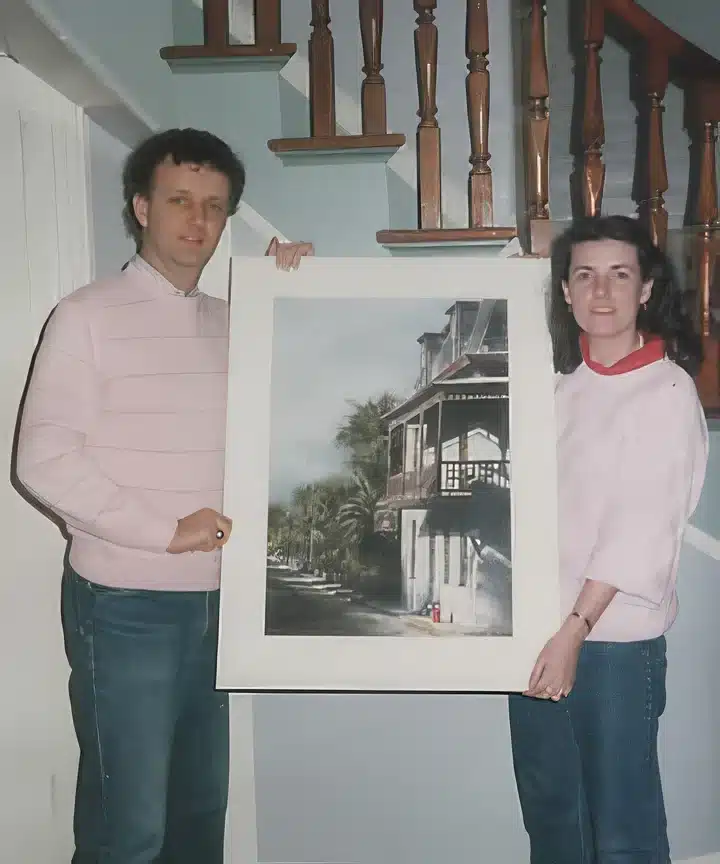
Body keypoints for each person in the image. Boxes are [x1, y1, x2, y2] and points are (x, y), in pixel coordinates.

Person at [15, 127, 313, 863]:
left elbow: (292, 417)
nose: (198, 221)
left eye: (215, 206)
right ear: (141, 207)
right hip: (125, 607)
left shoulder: (230, 323)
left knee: (198, 819)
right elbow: (41, 459)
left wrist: (293, 297)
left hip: (221, 610)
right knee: (132, 827)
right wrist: (162, 529)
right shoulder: (85, 315)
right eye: (180, 200)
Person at [509, 215, 708, 862]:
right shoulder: (563, 390)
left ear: (646, 289)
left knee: (623, 837)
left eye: (620, 275)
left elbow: (638, 528)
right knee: (555, 825)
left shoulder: (666, 391)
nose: (601, 291)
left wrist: (572, 632)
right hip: (542, 638)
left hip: (610, 648)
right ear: (564, 291)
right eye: (584, 275)